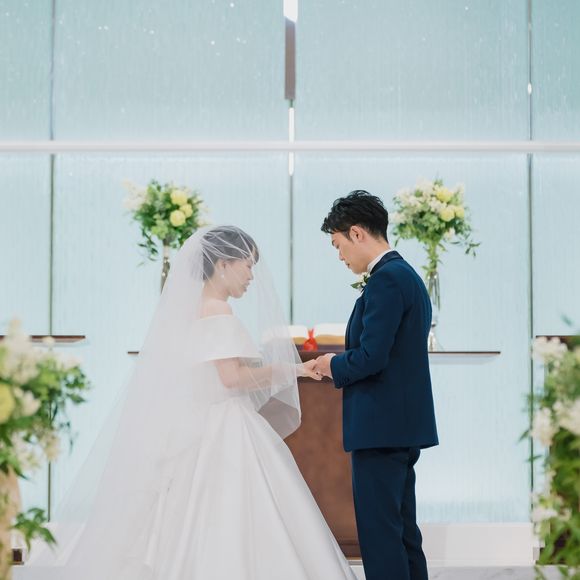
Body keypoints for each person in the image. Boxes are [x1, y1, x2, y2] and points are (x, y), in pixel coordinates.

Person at [17, 225, 355, 580]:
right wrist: (294, 369)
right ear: (223, 264)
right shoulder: (218, 310)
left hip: (198, 422)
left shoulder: (193, 310)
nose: (252, 276)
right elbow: (232, 378)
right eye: (248, 265)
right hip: (226, 424)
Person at [313, 191, 439, 580]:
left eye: (338, 245)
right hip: (399, 427)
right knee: (402, 534)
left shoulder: (386, 280)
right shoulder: (406, 276)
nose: (340, 256)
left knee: (381, 537)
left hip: (381, 428)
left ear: (357, 233)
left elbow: (371, 356)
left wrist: (332, 364)